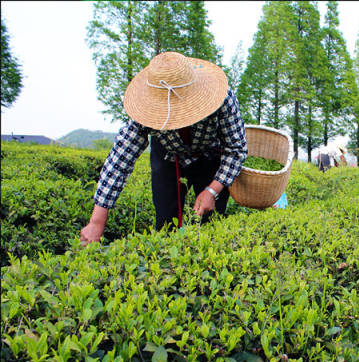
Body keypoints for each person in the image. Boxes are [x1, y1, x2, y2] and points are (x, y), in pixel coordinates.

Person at [80, 51, 248, 245]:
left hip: (210, 156)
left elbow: (236, 149)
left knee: (210, 221)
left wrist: (212, 190)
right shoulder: (145, 110)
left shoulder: (223, 99)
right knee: (166, 224)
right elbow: (120, 160)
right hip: (168, 156)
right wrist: (97, 221)